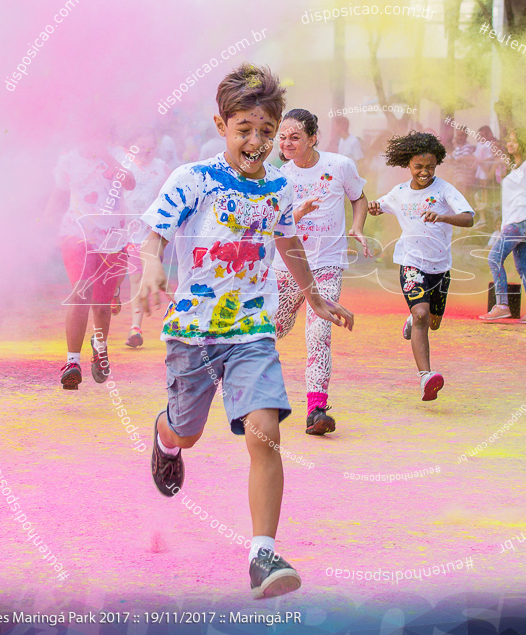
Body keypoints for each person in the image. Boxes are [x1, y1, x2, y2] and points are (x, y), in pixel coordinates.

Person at [138, 64, 353, 596]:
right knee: (187, 430)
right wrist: (150, 266)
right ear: (222, 126)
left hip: (251, 331)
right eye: (245, 130)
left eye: (266, 131)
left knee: (266, 432)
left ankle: (262, 556)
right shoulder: (195, 178)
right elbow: (154, 233)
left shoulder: (279, 187)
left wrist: (313, 294)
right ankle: (166, 439)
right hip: (194, 332)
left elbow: (287, 242)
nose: (256, 142)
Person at [273, 108, 370, 435]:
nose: (286, 143)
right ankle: (255, 394)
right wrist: (296, 213)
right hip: (286, 266)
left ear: (313, 138)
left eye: (294, 137)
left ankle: (316, 410)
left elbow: (359, 198)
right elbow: (274, 226)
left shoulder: (340, 166)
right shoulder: (278, 176)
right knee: (273, 331)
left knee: (318, 335)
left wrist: (357, 226)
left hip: (326, 264)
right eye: (282, 137)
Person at [367, 132, 474, 401]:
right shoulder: (400, 192)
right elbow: (380, 205)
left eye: (430, 167)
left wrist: (443, 216)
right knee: (422, 316)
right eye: (418, 167)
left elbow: (468, 218)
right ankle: (426, 376)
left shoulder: (445, 190)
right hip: (411, 263)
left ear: (436, 164)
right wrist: (374, 207)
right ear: (408, 165)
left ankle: (412, 319)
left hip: (440, 267)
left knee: (433, 323)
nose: (424, 172)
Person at [43, 141, 135, 389]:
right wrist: (44, 224)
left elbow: (130, 183)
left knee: (102, 307)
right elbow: (58, 194)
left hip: (111, 239)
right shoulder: (68, 160)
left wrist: (106, 155)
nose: (89, 134)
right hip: (76, 234)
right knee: (81, 291)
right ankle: (72, 362)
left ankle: (100, 348)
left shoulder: (117, 154)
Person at [479, 127, 526, 324]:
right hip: (521, 222)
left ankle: (502, 305)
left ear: (523, 144)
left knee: (494, 257)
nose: (510, 144)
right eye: (509, 140)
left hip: (521, 220)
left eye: (514, 140)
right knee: (524, 267)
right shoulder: (518, 168)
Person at [115, 132, 170, 348]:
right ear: (131, 148)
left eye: (151, 149)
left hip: (152, 234)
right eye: (141, 149)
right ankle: (132, 322)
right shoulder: (124, 166)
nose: (147, 154)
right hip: (128, 232)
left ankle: (136, 327)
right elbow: (114, 197)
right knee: (132, 278)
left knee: (147, 277)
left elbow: (168, 198)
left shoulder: (162, 168)